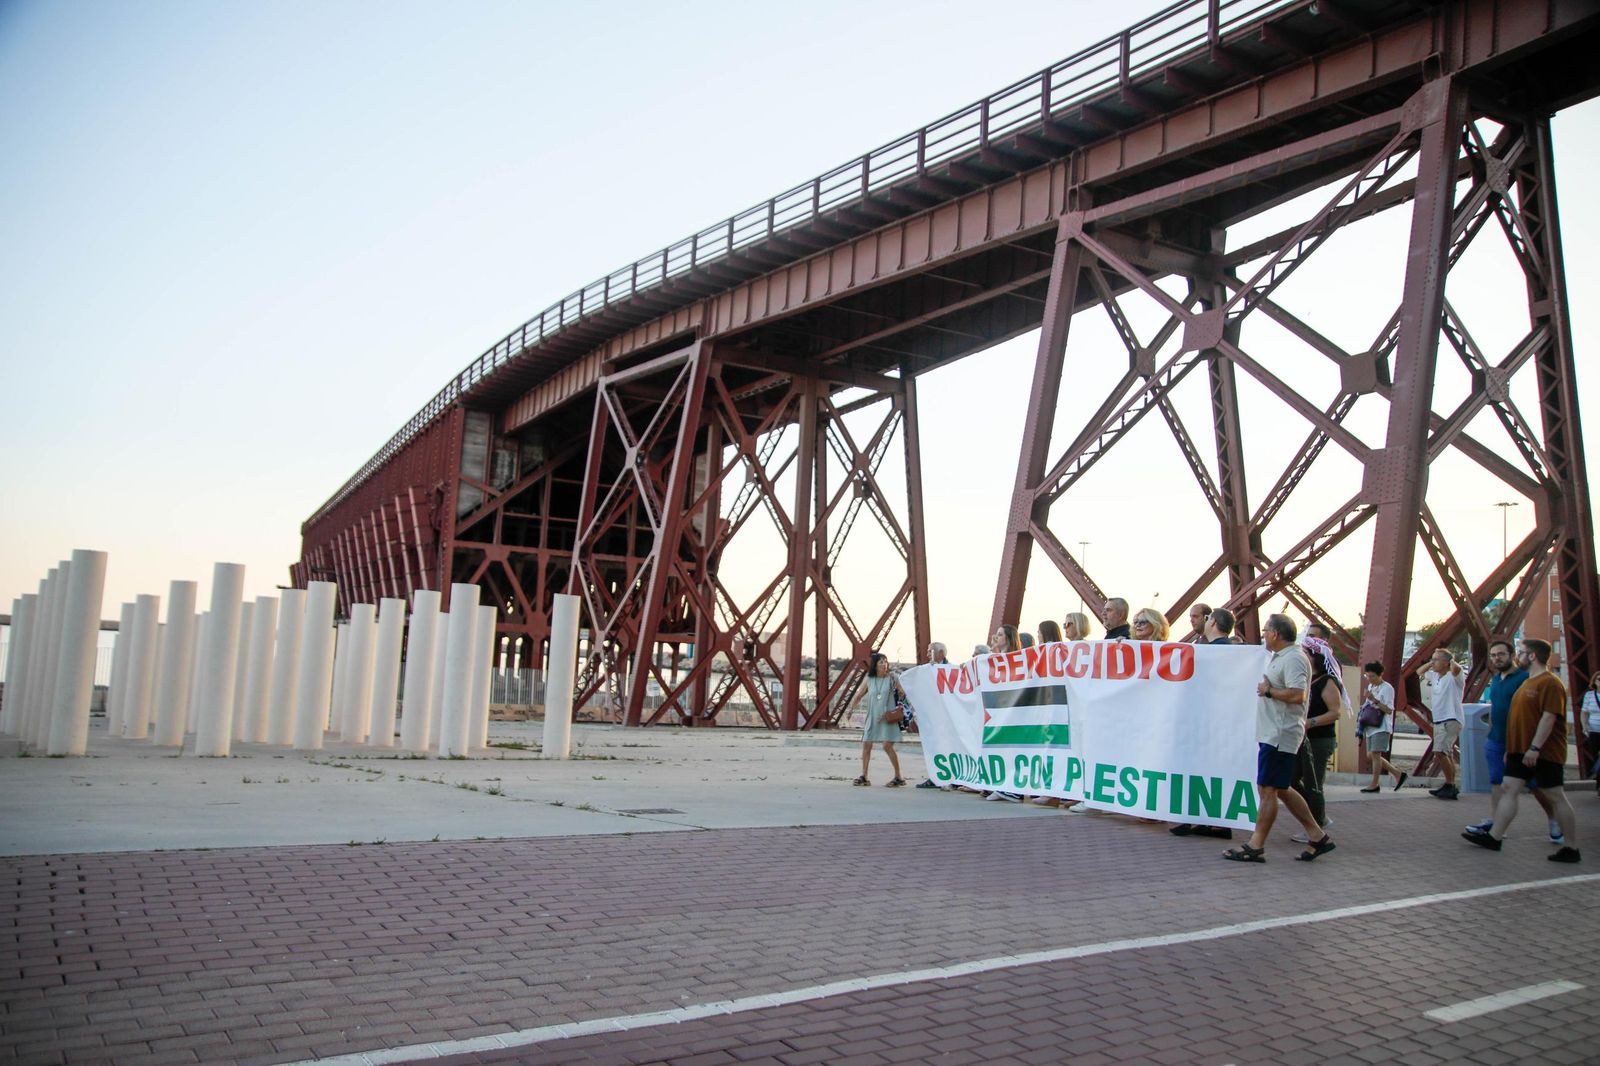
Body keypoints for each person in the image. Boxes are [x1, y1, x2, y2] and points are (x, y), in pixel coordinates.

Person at [1222, 614, 1334, 863]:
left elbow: (1298, 695)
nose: (1263, 635)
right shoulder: (1283, 657)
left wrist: (1269, 691)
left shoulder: (1293, 658)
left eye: (1265, 631)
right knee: (1281, 788)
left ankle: (1256, 845)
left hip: (1280, 734)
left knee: (1268, 789)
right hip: (1274, 732)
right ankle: (1317, 836)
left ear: (1275, 633)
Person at [1462, 638, 1581, 862]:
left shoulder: (1550, 683)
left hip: (1544, 751)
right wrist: (1513, 748)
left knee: (1555, 795)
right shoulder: (1528, 683)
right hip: (1518, 750)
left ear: (1532, 656)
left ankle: (1571, 847)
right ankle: (1495, 836)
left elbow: (1548, 718)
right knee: (1508, 787)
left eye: (1523, 652)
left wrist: (1534, 748)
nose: (1520, 656)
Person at [1289, 655, 1342, 841]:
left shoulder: (1326, 682)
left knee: (1314, 784)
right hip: (1302, 740)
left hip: (1319, 740)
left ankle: (1316, 827)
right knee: (1289, 780)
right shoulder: (1306, 679)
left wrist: (1310, 722)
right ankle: (1317, 815)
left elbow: (1335, 712)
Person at [852, 652, 905, 787]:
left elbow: (902, 692)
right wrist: (851, 709)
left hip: (889, 717)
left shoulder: (893, 678)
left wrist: (900, 691)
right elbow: (859, 695)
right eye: (880, 662)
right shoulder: (869, 679)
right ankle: (864, 776)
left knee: (887, 746)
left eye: (885, 661)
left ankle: (899, 776)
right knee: (866, 744)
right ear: (874, 665)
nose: (884, 664)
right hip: (873, 716)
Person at [1358, 661, 1406, 792]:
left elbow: (1389, 710)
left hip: (1382, 726)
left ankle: (1375, 784)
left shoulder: (1387, 688)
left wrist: (1374, 700)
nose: (1370, 679)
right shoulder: (1371, 686)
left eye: (1372, 676)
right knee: (1371, 755)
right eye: (1368, 676)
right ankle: (1397, 773)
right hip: (1370, 727)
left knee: (1375, 754)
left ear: (1380, 675)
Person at [1426, 649, 1465, 799]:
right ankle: (1450, 785)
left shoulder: (1454, 676)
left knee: (1440, 751)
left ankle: (1450, 784)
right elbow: (1418, 672)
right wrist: (1432, 662)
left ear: (1446, 663)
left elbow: (1456, 668)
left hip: (1451, 718)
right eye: (1432, 659)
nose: (1433, 662)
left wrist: (1450, 660)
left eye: (1436, 660)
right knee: (1445, 752)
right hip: (1439, 719)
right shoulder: (1436, 676)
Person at [915, 643, 951, 790]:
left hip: (945, 718)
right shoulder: (927, 670)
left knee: (946, 747)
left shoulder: (950, 670)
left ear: (941, 653)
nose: (928, 654)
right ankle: (935, 777)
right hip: (932, 716)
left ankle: (947, 777)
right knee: (933, 747)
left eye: (930, 651)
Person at [1583, 670, 1600, 791]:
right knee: (1596, 758)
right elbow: (1584, 712)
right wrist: (1584, 726)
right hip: (1594, 731)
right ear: (1594, 682)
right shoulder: (1589, 695)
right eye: (1599, 679)